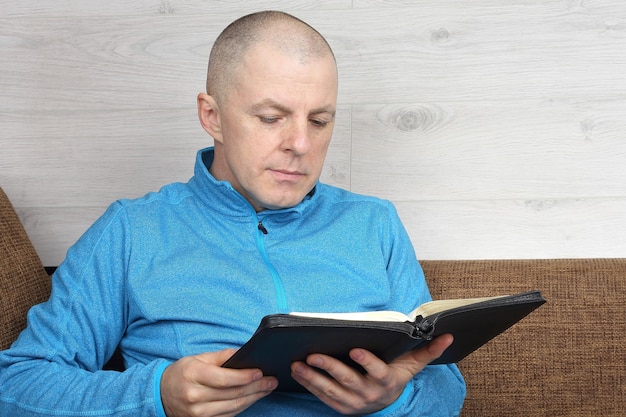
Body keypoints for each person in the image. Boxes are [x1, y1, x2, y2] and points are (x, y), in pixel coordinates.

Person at [0, 10, 465, 417]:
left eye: (320, 121)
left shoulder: (375, 223)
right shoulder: (130, 231)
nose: (300, 144)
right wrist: (156, 395)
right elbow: (16, 387)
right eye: (270, 117)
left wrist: (393, 401)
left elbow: (446, 386)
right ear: (212, 116)